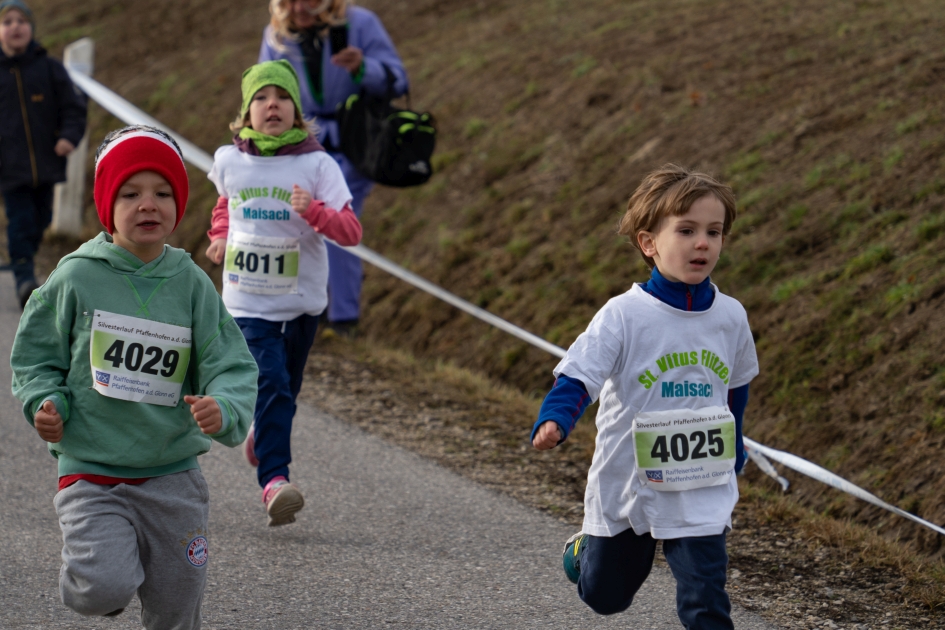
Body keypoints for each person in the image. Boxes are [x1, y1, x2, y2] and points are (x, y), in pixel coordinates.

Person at [10, 125, 258, 628]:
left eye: (162, 193)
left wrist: (225, 407)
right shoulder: (76, 276)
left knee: (176, 608)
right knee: (100, 589)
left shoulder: (190, 283)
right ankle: (112, 574)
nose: (149, 204)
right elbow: (36, 356)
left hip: (173, 474)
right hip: (92, 470)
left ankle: (142, 576)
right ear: (107, 204)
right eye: (131, 193)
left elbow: (228, 361)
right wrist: (43, 400)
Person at [531, 164, 759, 629]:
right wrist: (556, 419)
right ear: (648, 243)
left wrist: (734, 447)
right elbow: (578, 377)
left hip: (701, 481)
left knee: (706, 598)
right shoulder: (624, 315)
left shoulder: (731, 316)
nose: (703, 243)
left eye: (714, 232)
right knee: (607, 597)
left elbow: (736, 388)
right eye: (687, 230)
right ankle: (588, 549)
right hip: (630, 477)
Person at [204, 60, 361, 526]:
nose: (271, 105)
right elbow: (224, 206)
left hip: (301, 304)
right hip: (247, 302)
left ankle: (261, 433)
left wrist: (313, 211)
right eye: (260, 98)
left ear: (297, 110)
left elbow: (350, 231)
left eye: (282, 97)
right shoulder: (230, 160)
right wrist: (218, 235)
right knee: (270, 382)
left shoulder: (316, 164)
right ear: (246, 113)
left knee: (285, 391)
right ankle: (275, 481)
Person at [258, 0, 407, 334]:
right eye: (288, 0)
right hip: (298, 150)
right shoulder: (276, 36)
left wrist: (362, 67)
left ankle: (343, 319)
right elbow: (260, 89)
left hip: (353, 148)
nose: (298, 7)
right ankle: (309, 310)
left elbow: (397, 80)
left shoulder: (361, 23)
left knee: (337, 222)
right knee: (298, 224)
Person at [0, 0, 87, 308]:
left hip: (47, 164)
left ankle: (26, 257)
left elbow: (73, 108)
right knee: (20, 220)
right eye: (7, 21)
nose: (15, 27)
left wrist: (68, 137)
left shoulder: (48, 69)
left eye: (21, 21)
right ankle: (24, 276)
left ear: (31, 29)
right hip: (9, 169)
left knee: (41, 219)